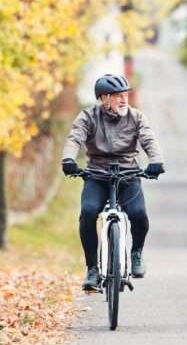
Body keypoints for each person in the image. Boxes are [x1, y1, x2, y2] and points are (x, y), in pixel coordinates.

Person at [62, 74, 165, 291]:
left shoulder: (136, 117)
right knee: (88, 213)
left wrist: (156, 161)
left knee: (138, 214)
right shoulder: (88, 117)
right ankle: (92, 269)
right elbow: (75, 138)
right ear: (103, 98)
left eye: (125, 95)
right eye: (118, 96)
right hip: (97, 175)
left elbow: (148, 139)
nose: (124, 100)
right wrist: (69, 159)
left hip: (128, 174)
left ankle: (136, 253)